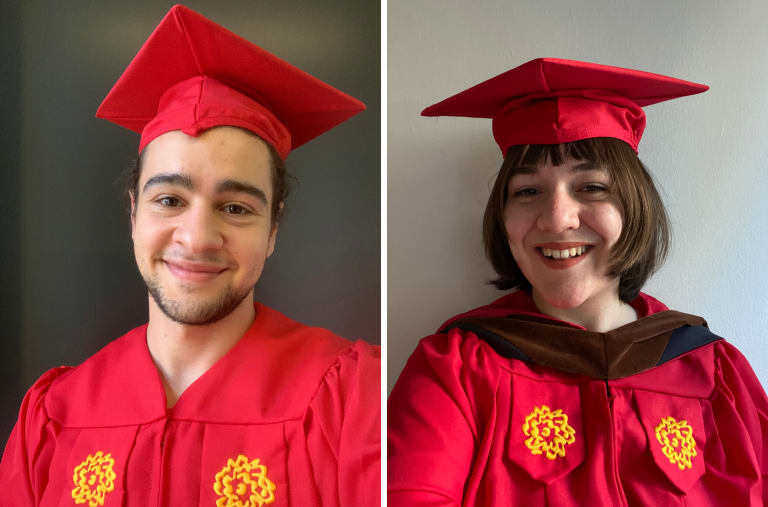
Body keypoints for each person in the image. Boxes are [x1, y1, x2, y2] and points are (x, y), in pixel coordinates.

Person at [0, 5, 380, 506]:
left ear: (273, 229)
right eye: (170, 200)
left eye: (236, 207)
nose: (198, 238)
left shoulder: (353, 398)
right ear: (134, 212)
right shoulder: (53, 416)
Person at [388, 58, 768, 505]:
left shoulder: (715, 368)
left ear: (634, 205)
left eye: (592, 187)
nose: (557, 218)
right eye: (527, 191)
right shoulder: (458, 368)